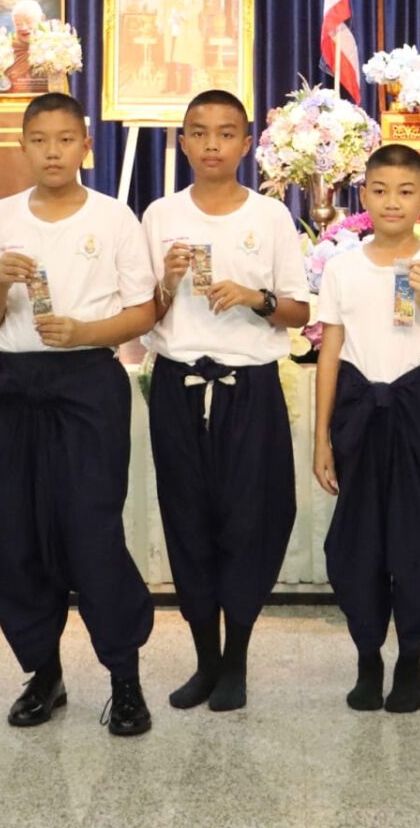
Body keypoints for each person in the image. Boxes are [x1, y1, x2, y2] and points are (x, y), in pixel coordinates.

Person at [0, 92, 160, 737]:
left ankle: (125, 679)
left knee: (91, 531)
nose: (52, 152)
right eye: (40, 140)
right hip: (12, 386)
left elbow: (144, 311)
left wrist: (84, 332)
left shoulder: (114, 218)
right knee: (14, 532)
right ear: (23, 146)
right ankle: (44, 674)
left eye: (65, 139)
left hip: (87, 385)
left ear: (86, 146)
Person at [142, 90, 312, 713]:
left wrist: (253, 297)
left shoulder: (270, 216)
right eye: (199, 132)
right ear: (183, 142)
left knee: (250, 522)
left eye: (225, 132)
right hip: (179, 383)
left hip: (250, 388)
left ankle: (236, 659)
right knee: (187, 521)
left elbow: (299, 310)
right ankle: (205, 662)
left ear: (246, 143)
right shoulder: (160, 214)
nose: (212, 143)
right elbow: (143, 314)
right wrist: (167, 282)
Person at [312, 143, 420, 714]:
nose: (392, 202)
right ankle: (367, 657)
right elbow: (330, 351)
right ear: (364, 195)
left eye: (406, 192)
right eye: (380, 191)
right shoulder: (342, 266)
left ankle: (410, 657)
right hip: (357, 413)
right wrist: (321, 438)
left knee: (413, 539)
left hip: (417, 411)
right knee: (356, 544)